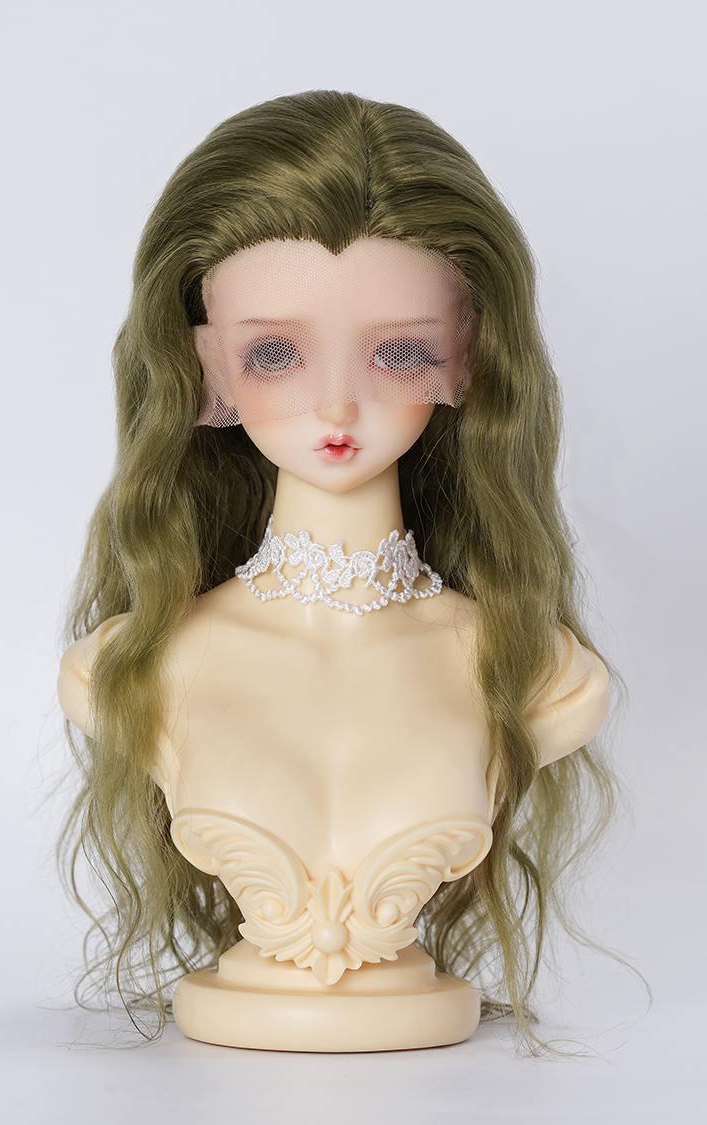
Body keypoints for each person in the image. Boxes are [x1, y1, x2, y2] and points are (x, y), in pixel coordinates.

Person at [58, 90, 613, 1051]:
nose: (337, 405)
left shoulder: (535, 668)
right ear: (204, 367)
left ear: (468, 356)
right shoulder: (132, 663)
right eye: (276, 352)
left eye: (398, 350)